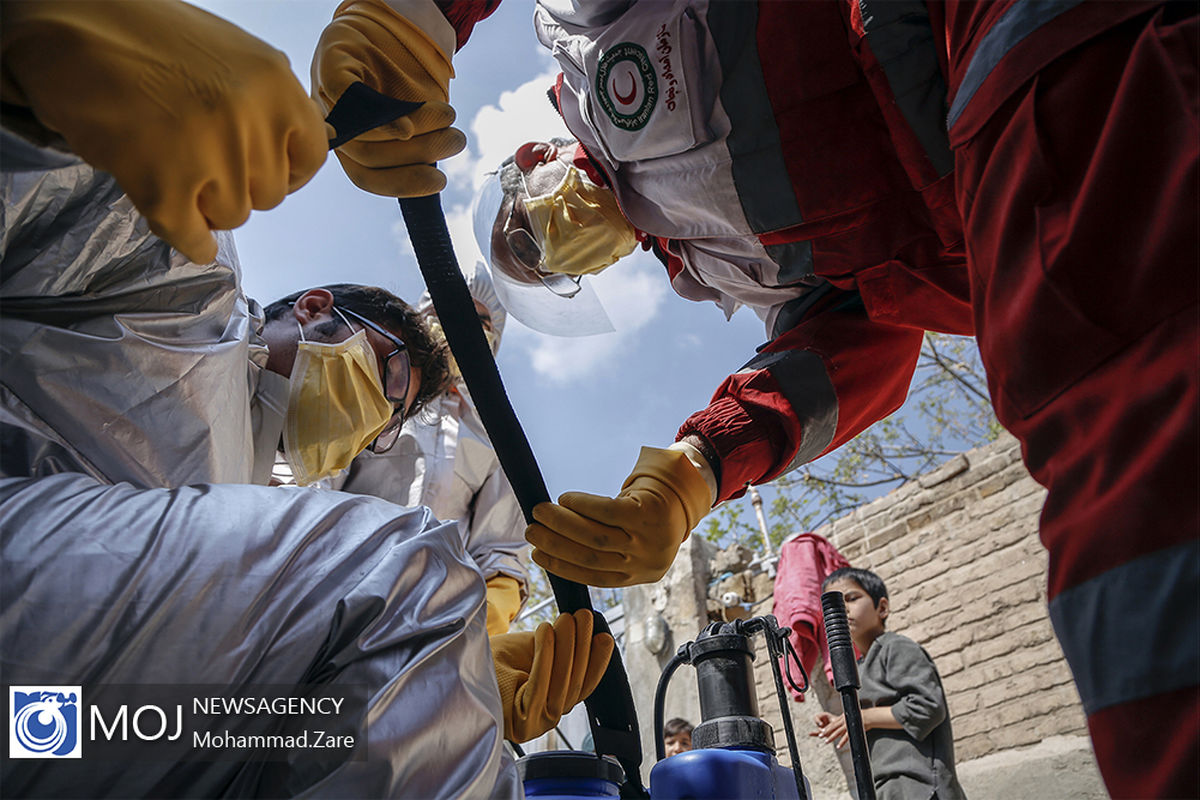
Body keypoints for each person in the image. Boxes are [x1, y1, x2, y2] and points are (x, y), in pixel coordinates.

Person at [307, 2, 1198, 795]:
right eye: (548, 268)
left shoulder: (587, 39)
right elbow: (865, 340)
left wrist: (421, 11)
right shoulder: (720, 261)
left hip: (991, 46)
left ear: (533, 159)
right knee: (1134, 506)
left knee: (1134, 423)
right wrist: (696, 472)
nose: (552, 252)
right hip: (988, 184)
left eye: (526, 232)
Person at [0, 4, 612, 795]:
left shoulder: (264, 480)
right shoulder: (187, 292)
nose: (374, 415)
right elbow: (44, 181)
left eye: (392, 415)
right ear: (316, 307)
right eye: (386, 372)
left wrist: (462, 686)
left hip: (66, 714)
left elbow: (487, 561)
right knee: (406, 573)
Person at [336, 261, 531, 635]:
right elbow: (316, 479)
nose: (463, 325)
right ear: (420, 319)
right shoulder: (376, 390)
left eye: (481, 322)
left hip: (430, 619)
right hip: (336, 583)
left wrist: (486, 616)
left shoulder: (496, 435)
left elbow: (500, 549)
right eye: (447, 310)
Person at [812, 568, 966, 800]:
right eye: (833, 607)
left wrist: (863, 718)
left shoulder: (896, 648)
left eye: (851, 598)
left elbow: (928, 707)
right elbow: (876, 718)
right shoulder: (859, 668)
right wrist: (845, 722)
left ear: (882, 608)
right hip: (887, 789)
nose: (843, 609)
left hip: (921, 787)